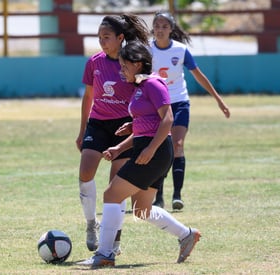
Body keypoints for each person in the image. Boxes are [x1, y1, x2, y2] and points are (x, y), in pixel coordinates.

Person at [80, 40, 201, 269]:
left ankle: (105, 254)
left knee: (111, 194)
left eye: (124, 66)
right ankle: (186, 235)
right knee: (141, 209)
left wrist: (150, 149)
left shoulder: (153, 84)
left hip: (154, 152)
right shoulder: (140, 86)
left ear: (137, 64)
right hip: (150, 149)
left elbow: (168, 119)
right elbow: (147, 125)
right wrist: (121, 145)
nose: (121, 70)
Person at [76, 14, 149, 254]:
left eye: (106, 37)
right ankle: (90, 223)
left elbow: (145, 94)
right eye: (99, 37)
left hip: (124, 126)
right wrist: (81, 130)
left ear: (120, 38)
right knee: (85, 171)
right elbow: (88, 97)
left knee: (115, 187)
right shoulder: (94, 62)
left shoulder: (131, 63)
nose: (102, 42)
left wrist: (140, 127)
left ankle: (115, 240)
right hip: (97, 123)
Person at [150, 11, 231, 210]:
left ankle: (177, 195)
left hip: (179, 102)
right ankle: (157, 196)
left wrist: (218, 100)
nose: (160, 30)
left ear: (171, 29)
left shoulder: (180, 50)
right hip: (157, 105)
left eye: (164, 26)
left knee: (177, 145)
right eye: (157, 26)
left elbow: (198, 75)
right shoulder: (146, 49)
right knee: (161, 147)